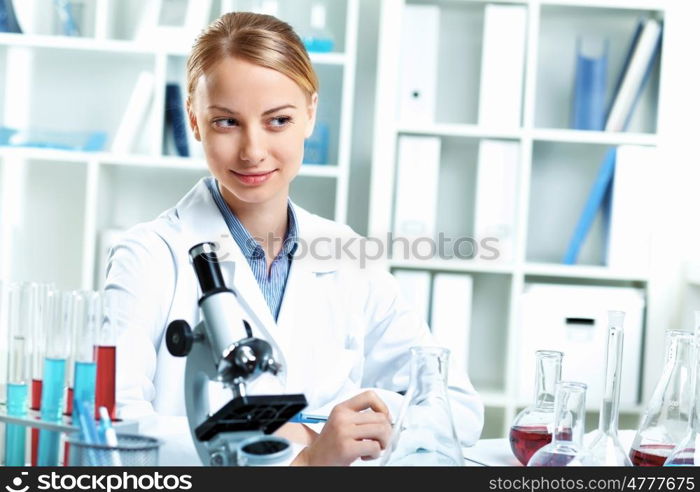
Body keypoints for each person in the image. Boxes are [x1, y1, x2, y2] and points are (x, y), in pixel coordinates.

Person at [105, 12, 483, 466]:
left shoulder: (347, 253)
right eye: (227, 122)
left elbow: (453, 403)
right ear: (194, 121)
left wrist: (320, 431)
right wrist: (300, 460)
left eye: (278, 120)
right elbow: (113, 428)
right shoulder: (148, 256)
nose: (253, 150)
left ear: (310, 115)